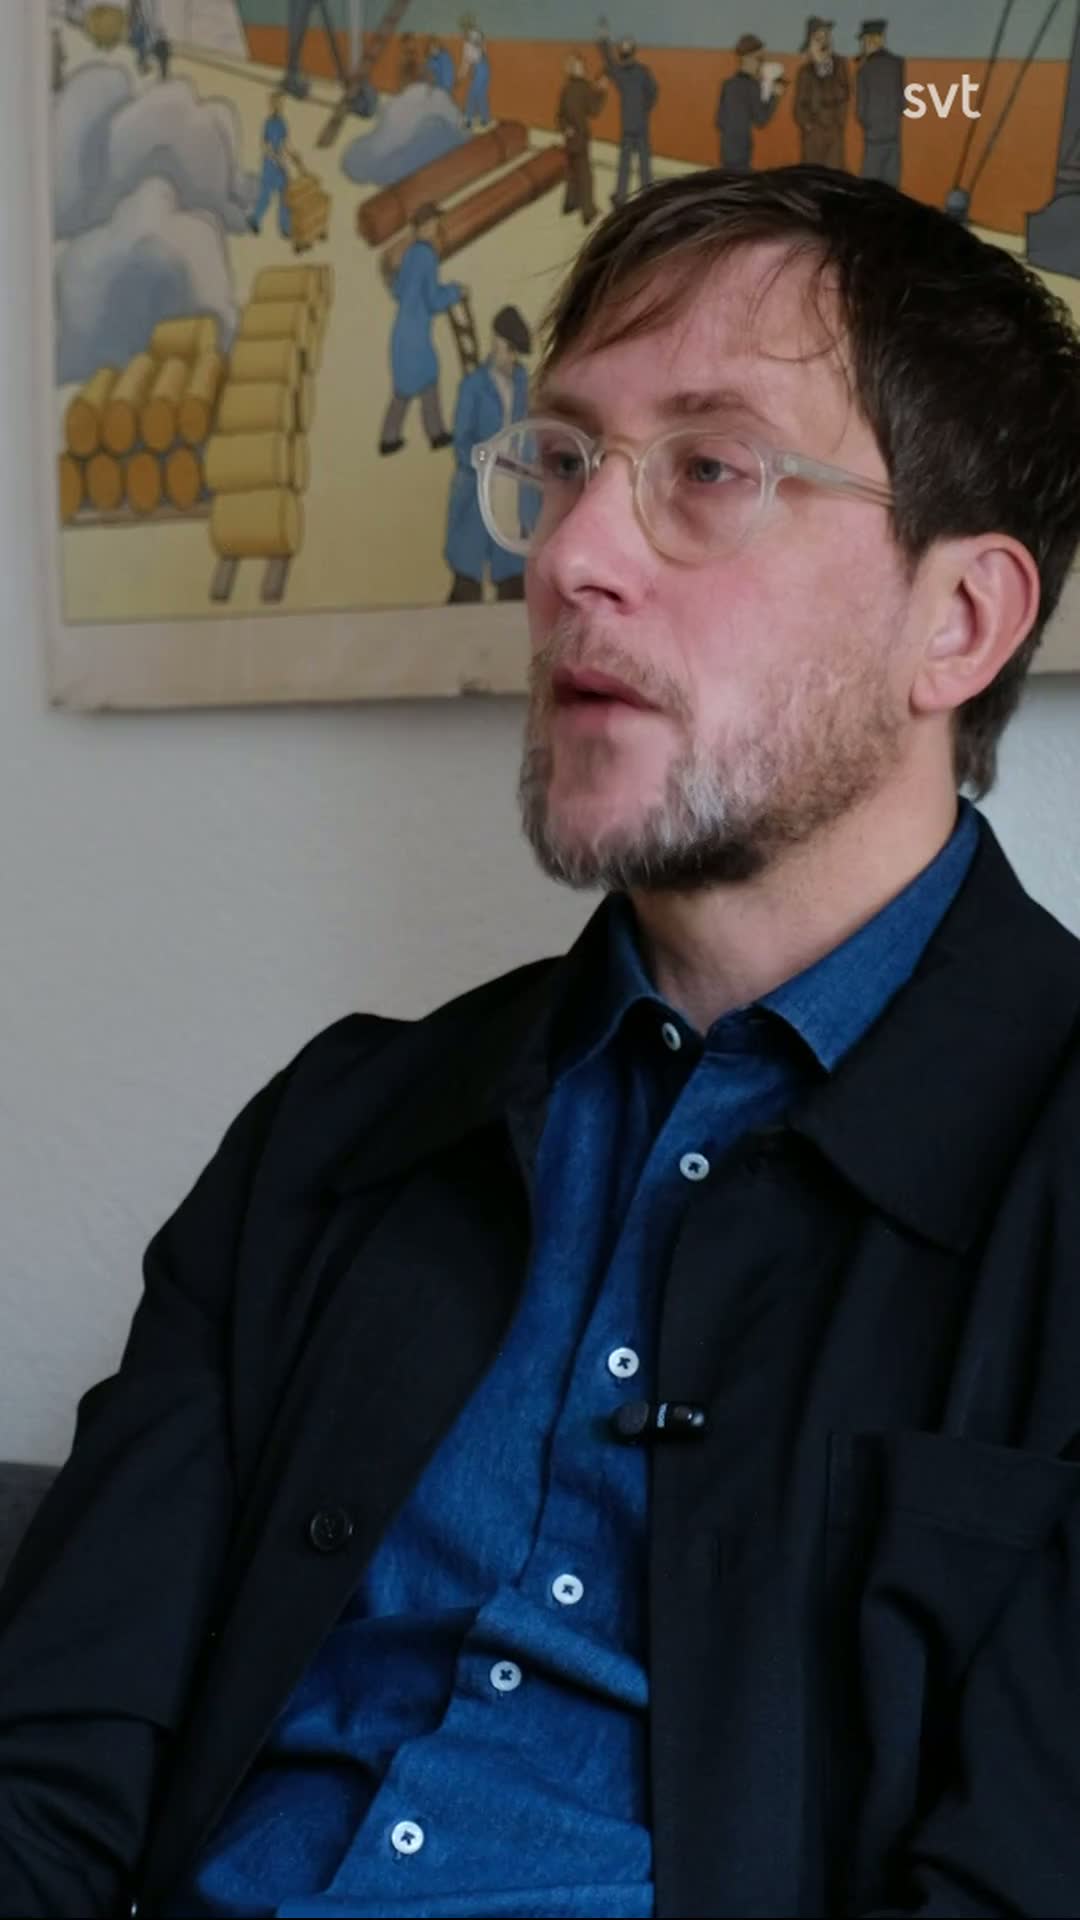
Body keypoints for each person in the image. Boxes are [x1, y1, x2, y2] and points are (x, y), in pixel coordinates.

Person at [5, 164, 1080, 1920]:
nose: (573, 555)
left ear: (956, 621)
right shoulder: (335, 1134)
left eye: (710, 470)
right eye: (567, 461)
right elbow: (41, 1783)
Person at [444, 304, 532, 603]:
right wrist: (483, 460)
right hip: (480, 477)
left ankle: (510, 589)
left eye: (514, 351)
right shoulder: (474, 386)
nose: (509, 357)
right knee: (469, 560)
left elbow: (531, 430)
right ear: (495, 342)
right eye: (506, 348)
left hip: (514, 481)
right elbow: (462, 440)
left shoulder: (523, 383)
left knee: (512, 558)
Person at [379, 204, 462, 454]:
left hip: (403, 332)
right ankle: (433, 434)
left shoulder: (411, 253)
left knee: (406, 387)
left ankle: (391, 438)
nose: (435, 227)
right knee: (426, 379)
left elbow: (399, 289)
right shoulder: (426, 255)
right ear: (423, 226)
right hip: (416, 334)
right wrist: (455, 291)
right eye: (432, 223)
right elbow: (433, 300)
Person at [597, 25, 658, 206]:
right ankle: (648, 196)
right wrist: (645, 109)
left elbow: (609, 61)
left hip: (627, 124)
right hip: (641, 123)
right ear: (634, 52)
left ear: (621, 53)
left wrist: (604, 40)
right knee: (644, 161)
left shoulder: (620, 74)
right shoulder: (643, 72)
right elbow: (653, 92)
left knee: (624, 163)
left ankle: (621, 197)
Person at [716, 32, 786, 171]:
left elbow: (719, 121)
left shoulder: (728, 84)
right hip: (742, 151)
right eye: (759, 59)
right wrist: (775, 97)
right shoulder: (752, 86)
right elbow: (761, 120)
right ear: (746, 58)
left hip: (726, 149)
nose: (762, 63)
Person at [556, 50, 608, 226]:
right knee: (585, 175)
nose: (582, 69)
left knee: (572, 171)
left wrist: (565, 129)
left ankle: (570, 204)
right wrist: (601, 91)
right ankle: (588, 213)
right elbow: (594, 110)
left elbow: (560, 116)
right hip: (581, 137)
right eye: (579, 66)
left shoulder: (566, 89)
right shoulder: (584, 88)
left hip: (570, 138)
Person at [794, 15, 850, 168]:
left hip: (834, 132)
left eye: (826, 37)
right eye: (818, 39)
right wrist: (808, 125)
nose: (824, 43)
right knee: (813, 174)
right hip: (814, 135)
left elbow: (844, 95)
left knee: (834, 173)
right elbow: (799, 106)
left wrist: (839, 123)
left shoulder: (840, 66)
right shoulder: (805, 73)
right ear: (810, 45)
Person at [856, 18, 906, 186]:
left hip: (874, 138)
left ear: (869, 41)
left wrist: (869, 124)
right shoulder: (897, 63)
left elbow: (860, 111)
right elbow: (902, 104)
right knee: (892, 187)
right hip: (893, 136)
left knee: (868, 188)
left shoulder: (864, 69)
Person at [248, 88, 301, 238]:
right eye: (278, 103)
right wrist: (275, 157)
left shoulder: (282, 123)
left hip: (280, 165)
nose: (280, 106)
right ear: (272, 104)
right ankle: (254, 219)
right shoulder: (268, 123)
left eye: (282, 104)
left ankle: (285, 227)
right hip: (270, 165)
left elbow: (285, 143)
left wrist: (294, 155)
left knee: (285, 195)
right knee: (265, 195)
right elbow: (264, 145)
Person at [459, 24, 491, 130]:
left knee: (472, 95)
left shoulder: (474, 35)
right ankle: (485, 118)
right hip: (479, 69)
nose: (464, 33)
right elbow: (465, 62)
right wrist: (461, 75)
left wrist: (475, 40)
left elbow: (480, 43)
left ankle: (468, 120)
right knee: (480, 95)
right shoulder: (466, 45)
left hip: (481, 68)